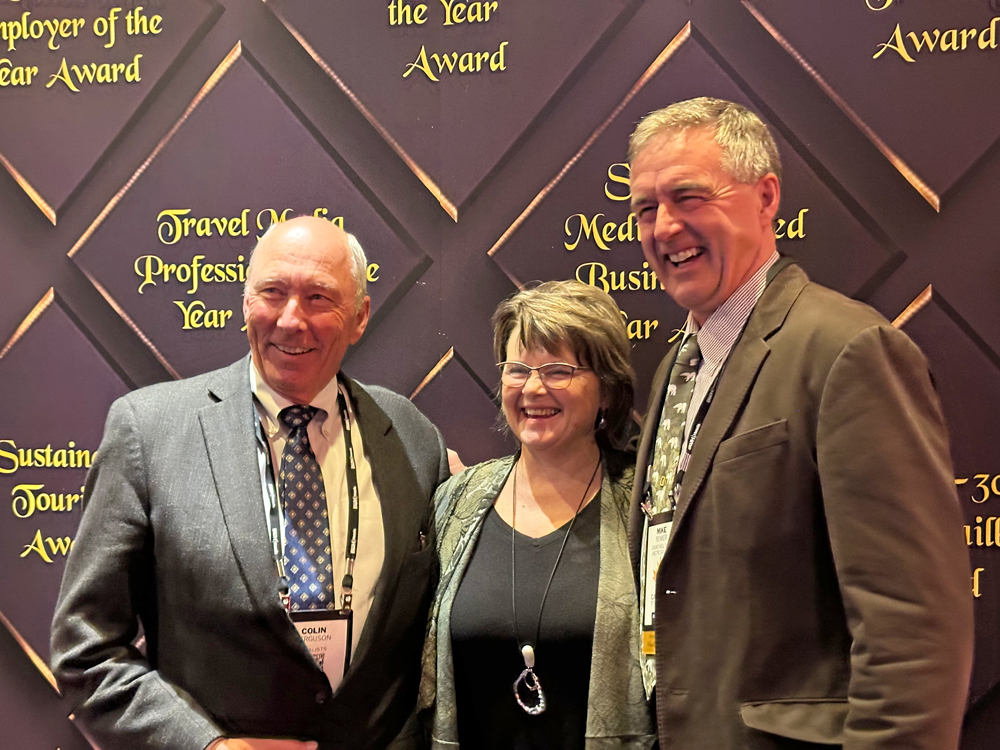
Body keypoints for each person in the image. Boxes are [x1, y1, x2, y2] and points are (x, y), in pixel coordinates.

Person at [626, 96, 974, 749]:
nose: (663, 227)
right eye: (646, 208)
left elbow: (915, 635)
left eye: (689, 197)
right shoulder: (677, 366)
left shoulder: (847, 351)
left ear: (765, 198)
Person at [51, 216, 449, 750]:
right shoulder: (148, 431)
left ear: (359, 317)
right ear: (244, 304)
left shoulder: (413, 435)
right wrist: (206, 747)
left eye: (318, 297)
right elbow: (86, 651)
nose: (290, 320)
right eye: (273, 292)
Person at [417, 280, 655, 750]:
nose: (533, 387)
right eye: (518, 369)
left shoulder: (643, 508)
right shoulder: (456, 501)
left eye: (559, 370)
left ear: (607, 390)